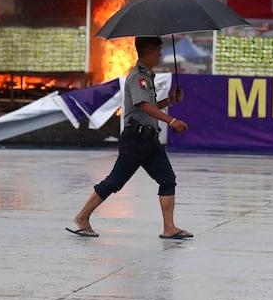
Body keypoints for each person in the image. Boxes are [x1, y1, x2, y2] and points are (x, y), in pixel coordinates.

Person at [67, 36, 193, 239]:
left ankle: (169, 228)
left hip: (149, 140)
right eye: (158, 50)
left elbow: (149, 106)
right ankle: (82, 217)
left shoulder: (147, 76)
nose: (160, 54)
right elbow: (143, 105)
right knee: (114, 182)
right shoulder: (138, 77)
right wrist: (171, 121)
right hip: (136, 140)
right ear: (147, 51)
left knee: (167, 179)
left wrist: (170, 100)